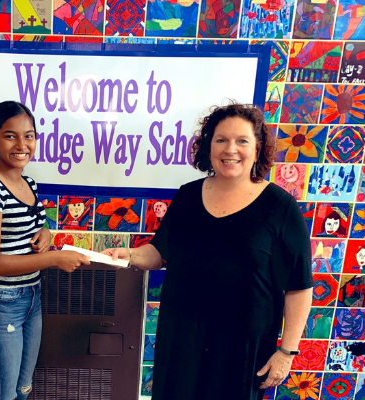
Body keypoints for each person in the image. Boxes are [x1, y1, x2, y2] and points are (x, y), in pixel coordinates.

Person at [103, 102, 313, 400]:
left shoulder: (280, 207)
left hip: (241, 348)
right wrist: (131, 255)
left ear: (257, 148)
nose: (231, 149)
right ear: (208, 146)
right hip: (181, 337)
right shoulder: (188, 195)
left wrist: (287, 351)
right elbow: (160, 253)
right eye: (221, 140)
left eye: (242, 141)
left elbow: (299, 287)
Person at [0, 101, 90, 400]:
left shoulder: (29, 183)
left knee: (23, 388)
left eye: (30, 135)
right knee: (4, 395)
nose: (22, 144)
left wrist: (46, 233)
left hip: (31, 296)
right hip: (1, 303)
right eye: (10, 136)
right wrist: (52, 259)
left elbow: (37, 226)